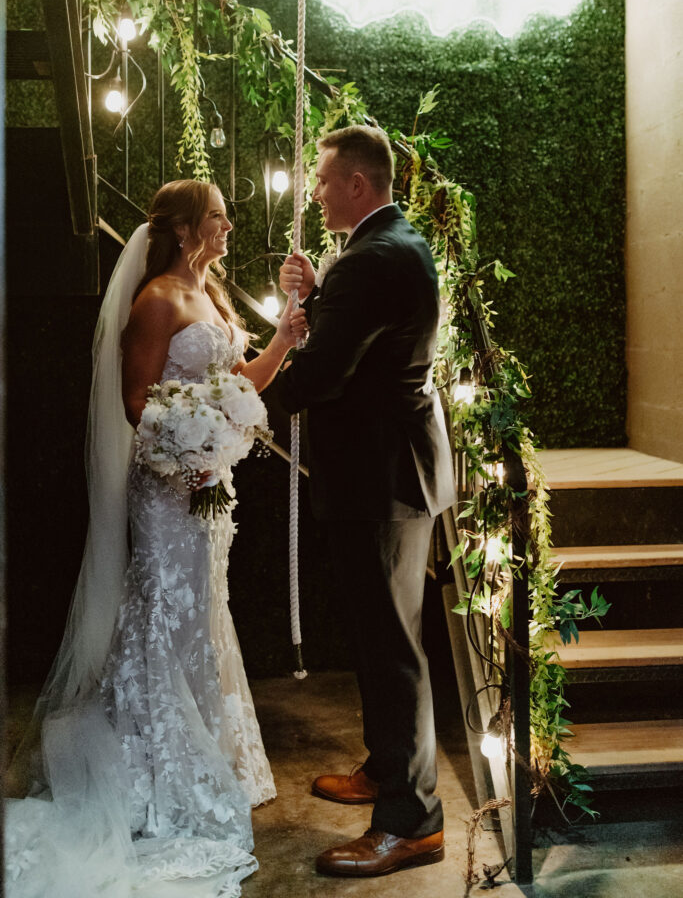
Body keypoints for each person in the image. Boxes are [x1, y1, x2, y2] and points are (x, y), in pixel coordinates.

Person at [6, 179, 305, 897]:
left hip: (210, 488)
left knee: (204, 614)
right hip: (167, 490)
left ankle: (206, 746)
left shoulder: (214, 298)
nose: (229, 227)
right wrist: (186, 449)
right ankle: (155, 759)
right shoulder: (156, 301)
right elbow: (135, 401)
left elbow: (241, 386)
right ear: (183, 229)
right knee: (165, 613)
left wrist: (286, 340)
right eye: (217, 217)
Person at [277, 124, 457, 878]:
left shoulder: (373, 259)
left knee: (390, 652)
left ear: (357, 183)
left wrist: (234, 408)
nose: (314, 193)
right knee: (379, 637)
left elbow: (320, 376)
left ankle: (411, 821)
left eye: (321, 180)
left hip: (380, 478)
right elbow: (365, 344)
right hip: (389, 470)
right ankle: (387, 768)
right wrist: (319, 296)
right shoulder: (386, 249)